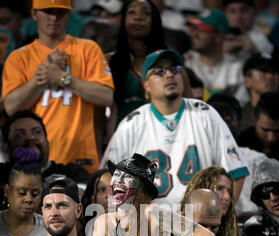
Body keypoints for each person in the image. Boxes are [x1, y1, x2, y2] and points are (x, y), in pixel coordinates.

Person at [101, 49, 249, 206]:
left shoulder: (205, 113)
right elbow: (106, 180)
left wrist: (219, 219)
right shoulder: (131, 123)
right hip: (149, 223)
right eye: (159, 72)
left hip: (198, 223)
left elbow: (236, 172)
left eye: (174, 69)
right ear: (146, 85)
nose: (169, 75)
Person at [2, 0, 114, 175]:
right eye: (48, 11)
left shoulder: (88, 49)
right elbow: (11, 107)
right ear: (33, 14)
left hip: (82, 158)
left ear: (69, 14)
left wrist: (63, 78)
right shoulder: (19, 57)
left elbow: (106, 96)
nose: (54, 17)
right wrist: (43, 76)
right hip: (35, 161)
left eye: (60, 12)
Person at [0, 110, 90, 208]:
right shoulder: (2, 174)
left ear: (47, 142)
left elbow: (78, 198)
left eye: (36, 132)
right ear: (7, 147)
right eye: (20, 134)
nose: (30, 137)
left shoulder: (73, 173)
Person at [207, 92, 268, 221]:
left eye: (230, 116)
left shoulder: (258, 160)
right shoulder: (196, 159)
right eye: (217, 116)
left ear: (239, 123)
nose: (223, 122)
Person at [108, 0, 167, 130]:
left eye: (146, 13)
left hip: (162, 139)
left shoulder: (170, 63)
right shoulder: (108, 62)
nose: (138, 17)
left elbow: (187, 107)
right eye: (132, 12)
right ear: (123, 20)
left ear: (155, 21)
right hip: (123, 139)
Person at [181, 165, 247, 236]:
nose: (227, 197)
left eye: (229, 191)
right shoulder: (175, 234)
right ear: (203, 189)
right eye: (220, 189)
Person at [0, 147, 46, 236]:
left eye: (35, 194)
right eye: (22, 193)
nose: (28, 199)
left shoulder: (48, 231)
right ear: (7, 191)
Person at [184, 9, 247, 103]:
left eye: (201, 30)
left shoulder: (237, 67)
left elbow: (241, 104)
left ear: (219, 36)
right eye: (193, 29)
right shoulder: (185, 62)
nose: (194, 34)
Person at [242, 158, 279, 236]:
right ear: (259, 199)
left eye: (276, 189)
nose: (273, 198)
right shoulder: (252, 230)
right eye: (265, 193)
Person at [240, 53, 279, 132]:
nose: (270, 77)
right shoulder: (241, 116)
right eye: (264, 71)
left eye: (274, 72)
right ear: (247, 81)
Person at [238, 92, 279, 159]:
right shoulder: (239, 143)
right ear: (253, 120)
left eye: (277, 131)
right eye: (265, 130)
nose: (271, 138)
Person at [80, 168, 111, 236]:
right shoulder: (79, 231)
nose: (108, 195)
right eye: (102, 190)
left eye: (113, 189)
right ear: (92, 198)